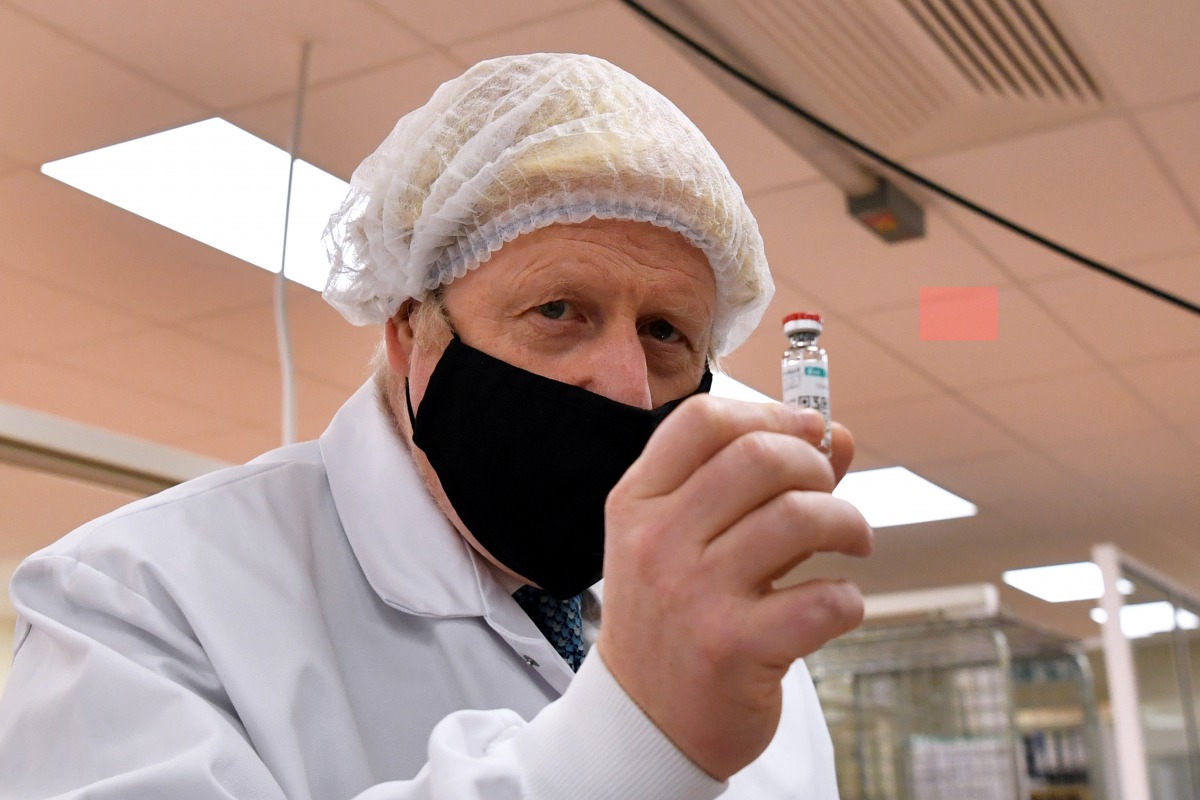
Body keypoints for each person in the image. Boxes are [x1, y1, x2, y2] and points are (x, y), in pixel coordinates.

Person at [0, 53, 872, 798]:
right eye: (559, 307)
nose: (625, 384)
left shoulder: (750, 657)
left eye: (666, 332)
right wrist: (632, 738)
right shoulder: (140, 602)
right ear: (409, 328)